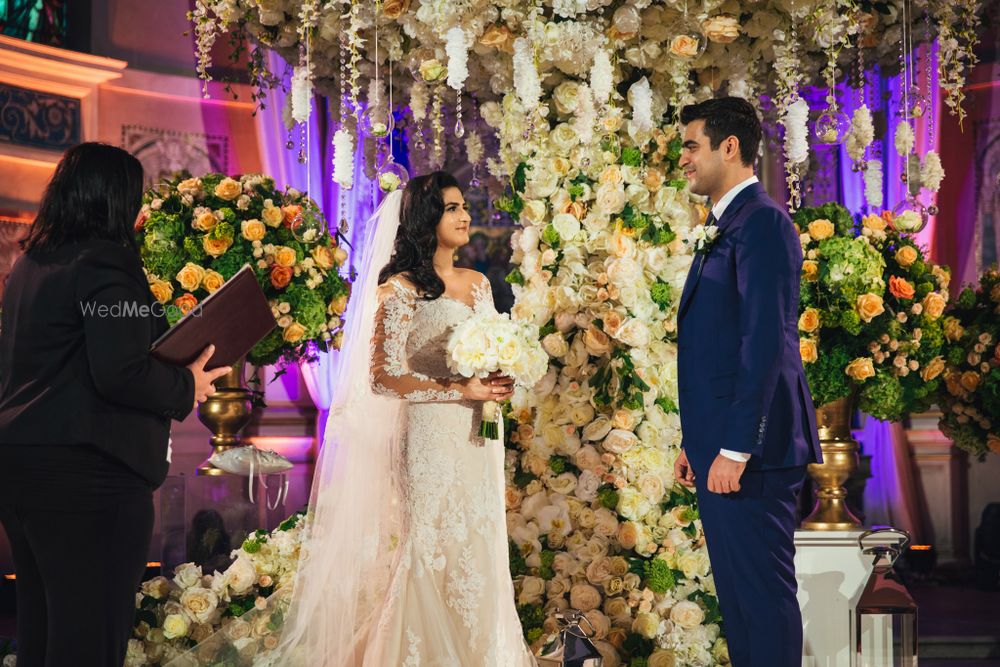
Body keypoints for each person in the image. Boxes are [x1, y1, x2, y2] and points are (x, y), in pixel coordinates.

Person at [171, 172, 535, 666]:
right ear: (428, 219)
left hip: (476, 433)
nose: (465, 215)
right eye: (452, 208)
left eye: (463, 205)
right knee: (429, 547)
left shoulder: (478, 285)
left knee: (477, 544)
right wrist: (457, 388)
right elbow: (384, 379)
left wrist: (496, 379)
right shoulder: (399, 289)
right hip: (427, 441)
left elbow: (488, 351)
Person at [0, 142, 230, 667]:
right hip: (88, 477)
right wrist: (186, 385)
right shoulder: (108, 261)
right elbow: (119, 371)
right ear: (116, 200)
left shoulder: (31, 263)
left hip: (20, 467)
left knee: (41, 633)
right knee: (89, 641)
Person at [672, 98, 823, 667]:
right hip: (724, 445)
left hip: (754, 451)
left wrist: (735, 446)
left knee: (761, 598)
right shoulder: (725, 224)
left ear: (728, 147)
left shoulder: (761, 222)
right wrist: (701, 441)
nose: (683, 159)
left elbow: (763, 343)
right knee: (740, 602)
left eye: (691, 145)